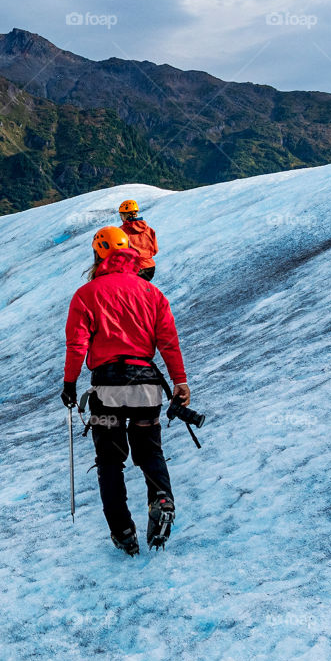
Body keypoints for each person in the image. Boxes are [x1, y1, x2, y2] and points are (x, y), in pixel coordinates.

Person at [62, 226, 191, 555]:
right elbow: (168, 342)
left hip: (108, 387)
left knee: (110, 462)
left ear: (98, 255)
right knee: (150, 451)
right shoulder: (151, 293)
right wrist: (180, 381)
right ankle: (161, 499)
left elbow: (77, 345)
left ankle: (123, 531)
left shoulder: (86, 294)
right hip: (147, 385)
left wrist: (69, 384)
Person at [117, 199, 158, 280]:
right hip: (150, 268)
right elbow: (155, 250)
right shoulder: (149, 229)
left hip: (133, 269)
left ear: (124, 215)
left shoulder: (121, 231)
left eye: (121, 215)